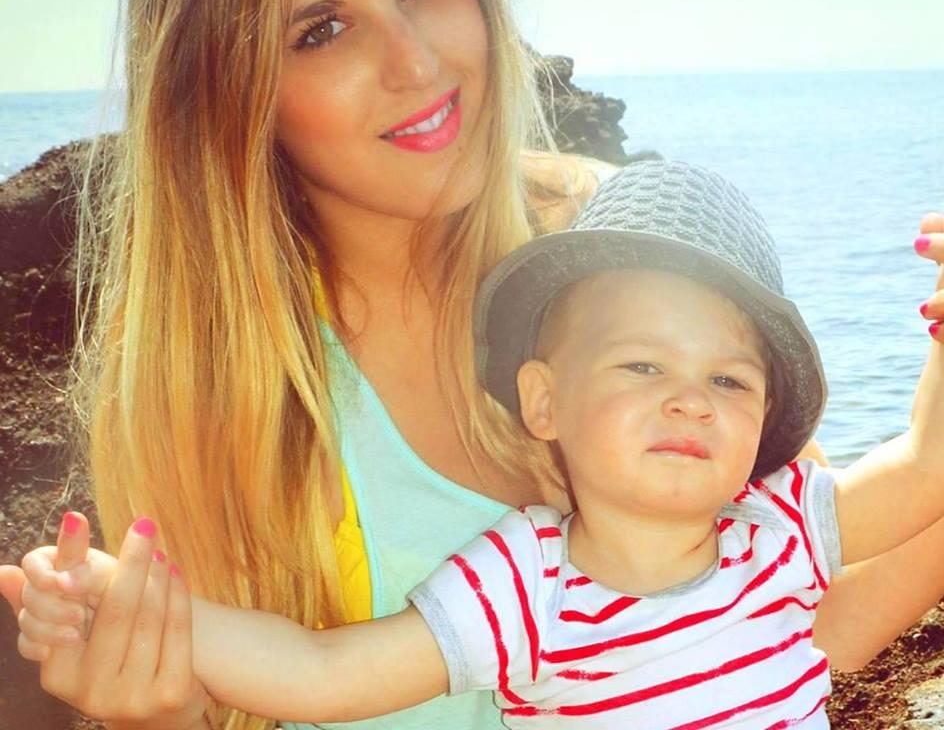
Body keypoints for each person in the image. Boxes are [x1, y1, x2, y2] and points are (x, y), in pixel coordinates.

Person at [1, 0, 944, 730]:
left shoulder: (623, 251)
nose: (415, 62)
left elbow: (785, 623)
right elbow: (287, 687)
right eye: (321, 30)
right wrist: (158, 715)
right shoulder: (223, 389)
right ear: (226, 92)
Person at [14, 160, 944, 729]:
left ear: (766, 420)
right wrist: (128, 596)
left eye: (729, 382)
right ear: (544, 402)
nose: (691, 402)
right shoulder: (528, 584)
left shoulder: (779, 526)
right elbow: (322, 672)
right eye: (641, 366)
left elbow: (925, 466)